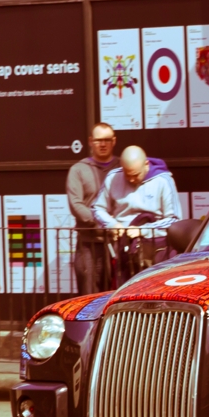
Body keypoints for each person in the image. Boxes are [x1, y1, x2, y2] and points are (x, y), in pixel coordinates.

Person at [92, 146, 183, 280]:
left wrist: (142, 230)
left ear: (146, 164)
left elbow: (174, 219)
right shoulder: (113, 177)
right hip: (122, 251)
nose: (131, 180)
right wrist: (112, 224)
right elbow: (97, 208)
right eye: (127, 175)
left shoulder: (163, 180)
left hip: (155, 251)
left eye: (136, 175)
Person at [67, 123, 119, 294]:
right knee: (88, 296)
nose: (102, 144)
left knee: (118, 293)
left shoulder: (122, 167)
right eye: (98, 140)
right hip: (88, 244)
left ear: (114, 141)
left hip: (119, 242)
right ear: (90, 141)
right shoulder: (78, 170)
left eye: (106, 140)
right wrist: (103, 223)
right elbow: (76, 204)